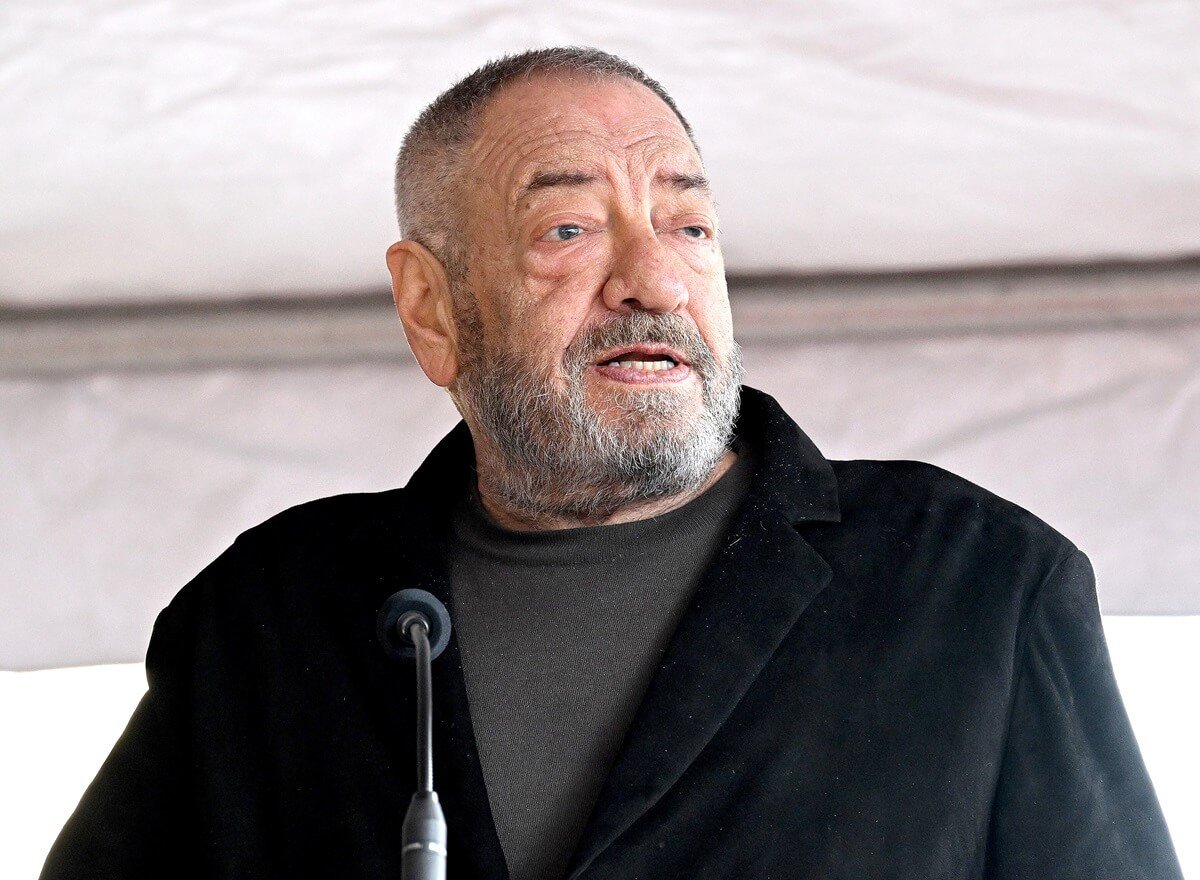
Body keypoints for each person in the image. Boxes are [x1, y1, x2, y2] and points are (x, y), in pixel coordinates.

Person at [41, 46, 1183, 880]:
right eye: (570, 231)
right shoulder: (266, 621)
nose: (656, 278)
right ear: (431, 307)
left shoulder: (977, 586)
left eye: (689, 225)